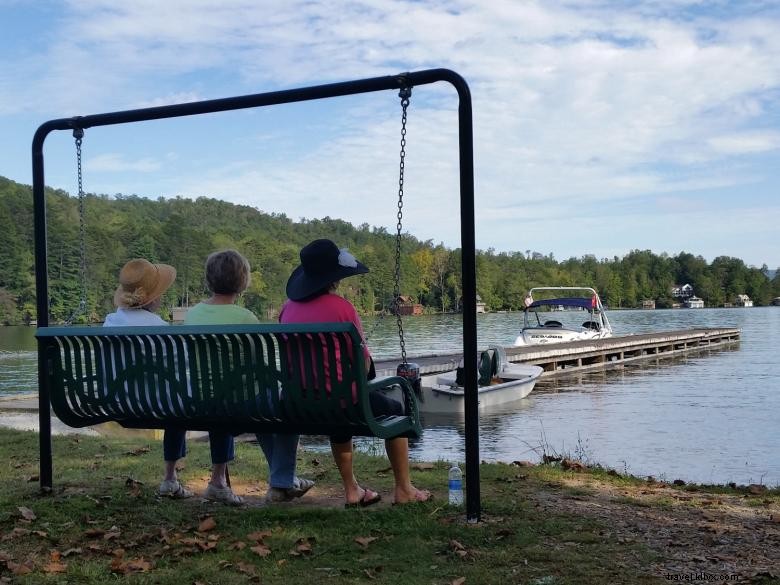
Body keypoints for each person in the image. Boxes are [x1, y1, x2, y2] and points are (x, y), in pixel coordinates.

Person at [281, 238, 431, 506]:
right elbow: (364, 367)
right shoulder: (342, 308)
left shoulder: (287, 310)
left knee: (338, 413)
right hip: (342, 402)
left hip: (301, 403)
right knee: (395, 409)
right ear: (334, 277)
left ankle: (352, 489)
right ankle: (404, 489)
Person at [184, 249, 314, 505]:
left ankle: (275, 480)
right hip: (243, 404)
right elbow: (261, 366)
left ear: (209, 280)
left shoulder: (192, 315)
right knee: (286, 403)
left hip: (204, 402)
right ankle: (282, 480)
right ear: (243, 281)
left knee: (256, 402)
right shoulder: (245, 317)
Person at [104, 258, 197, 500]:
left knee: (175, 399)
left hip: (117, 402)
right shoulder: (160, 328)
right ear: (153, 299)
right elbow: (186, 362)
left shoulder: (110, 322)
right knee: (180, 403)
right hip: (157, 405)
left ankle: (171, 479)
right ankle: (169, 478)